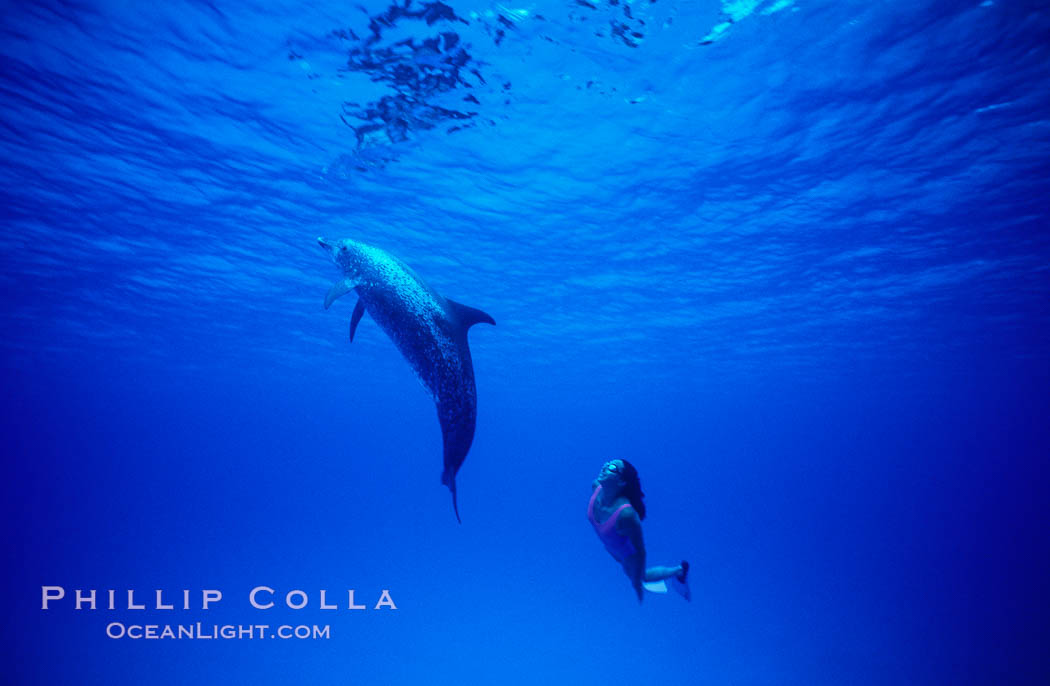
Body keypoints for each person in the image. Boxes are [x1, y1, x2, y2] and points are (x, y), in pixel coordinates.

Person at [588, 459, 690, 603]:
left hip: (627, 554)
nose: (605, 466)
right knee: (633, 574)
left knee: (642, 577)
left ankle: (679, 570)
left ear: (622, 482)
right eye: (606, 463)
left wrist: (636, 583)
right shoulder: (595, 487)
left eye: (612, 467)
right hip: (612, 548)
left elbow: (641, 551)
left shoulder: (627, 515)